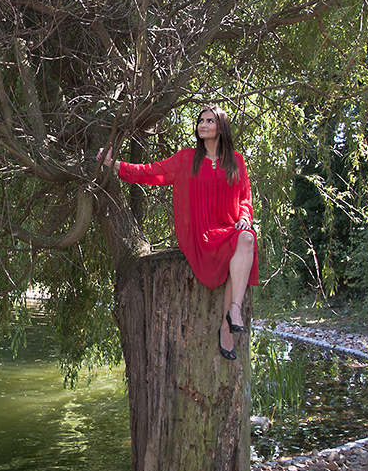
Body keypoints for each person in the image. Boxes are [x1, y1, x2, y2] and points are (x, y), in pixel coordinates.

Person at [99, 106, 258, 360]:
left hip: (229, 229)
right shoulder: (186, 159)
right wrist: (115, 165)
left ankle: (229, 321)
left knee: (248, 237)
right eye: (200, 121)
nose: (202, 125)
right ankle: (231, 317)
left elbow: (244, 197)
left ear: (221, 127)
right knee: (241, 247)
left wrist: (244, 217)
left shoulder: (236, 161)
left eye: (209, 121)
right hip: (200, 233)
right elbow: (151, 172)